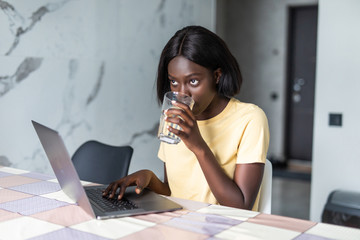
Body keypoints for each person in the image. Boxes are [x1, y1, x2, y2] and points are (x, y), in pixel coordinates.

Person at [104, 25, 269, 211]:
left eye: (193, 81)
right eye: (174, 82)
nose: (182, 94)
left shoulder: (250, 119)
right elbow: (174, 193)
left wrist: (198, 146)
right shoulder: (172, 118)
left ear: (217, 76)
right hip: (180, 225)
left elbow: (241, 205)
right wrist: (149, 178)